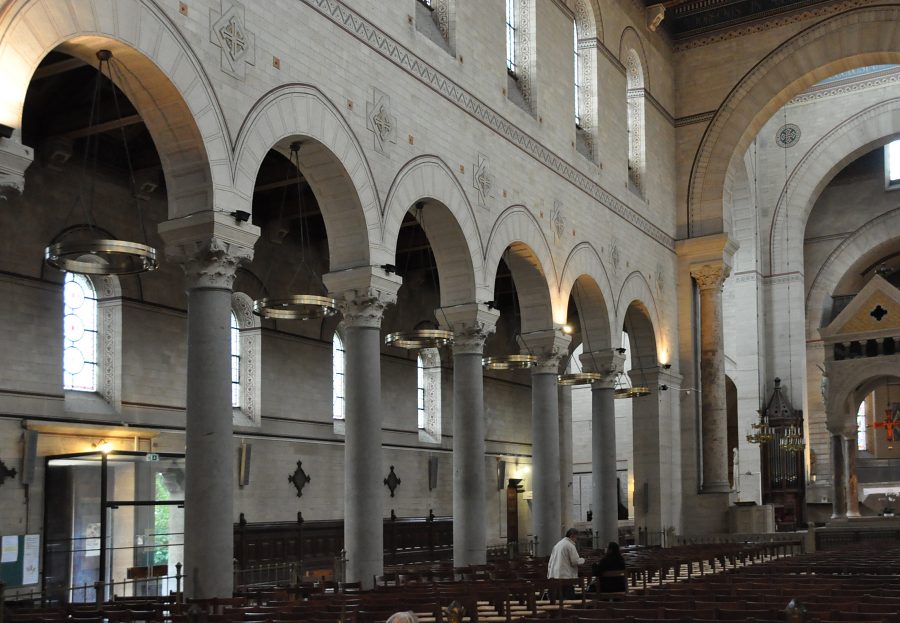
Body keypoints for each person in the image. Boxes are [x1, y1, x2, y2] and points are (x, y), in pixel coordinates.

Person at [547, 528, 585, 599]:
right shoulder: (569, 545)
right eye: (576, 538)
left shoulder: (558, 544)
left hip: (555, 577)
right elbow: (574, 561)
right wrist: (583, 560)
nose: (576, 540)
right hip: (566, 578)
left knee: (558, 600)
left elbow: (551, 561)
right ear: (572, 536)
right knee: (569, 600)